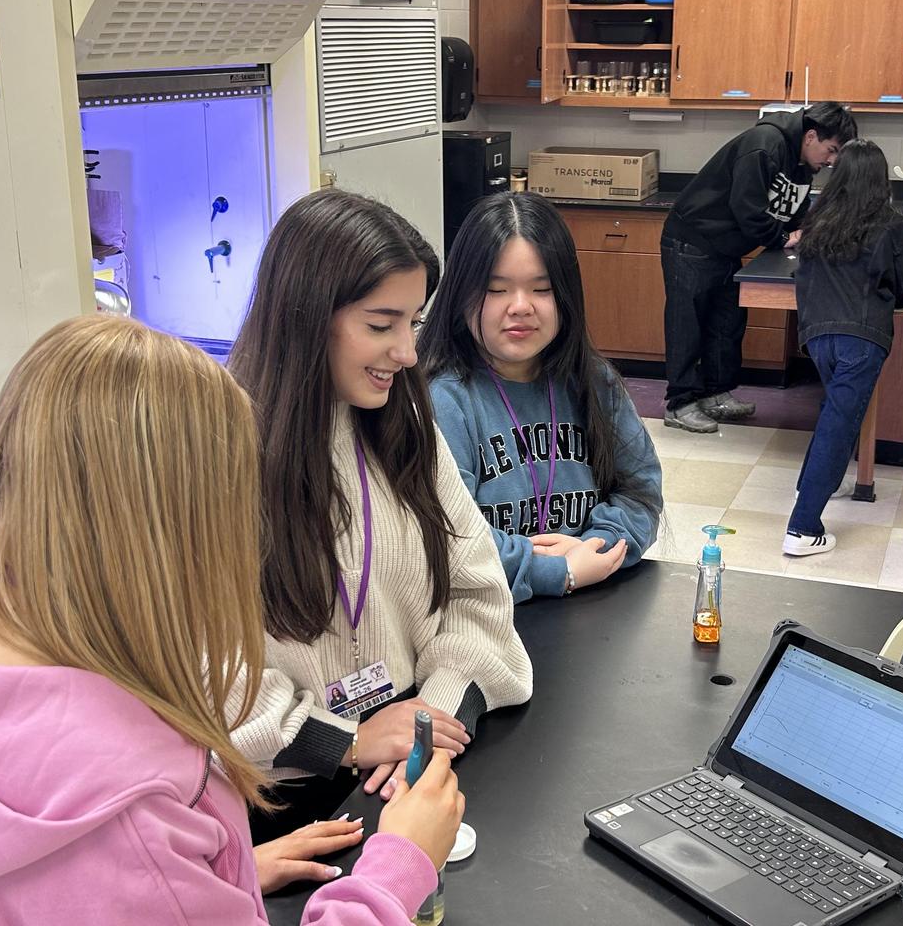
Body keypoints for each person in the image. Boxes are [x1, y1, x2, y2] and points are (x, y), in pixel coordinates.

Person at [0, 316, 462, 924]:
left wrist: (209, 876)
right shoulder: (130, 817)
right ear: (175, 524)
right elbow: (112, 864)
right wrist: (397, 867)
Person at [229, 189, 534, 837]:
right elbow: (197, 669)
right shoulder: (216, 451)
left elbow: (477, 596)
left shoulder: (406, 421)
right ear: (305, 318)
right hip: (274, 806)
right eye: (380, 325)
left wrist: (430, 721)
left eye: (413, 323)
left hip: (407, 763)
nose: (407, 352)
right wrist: (343, 741)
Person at [420, 192, 663, 602]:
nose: (521, 307)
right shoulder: (444, 399)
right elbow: (449, 538)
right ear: (461, 295)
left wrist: (594, 548)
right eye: (496, 289)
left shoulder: (594, 382)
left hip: (591, 607)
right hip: (487, 616)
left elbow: (641, 493)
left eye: (542, 288)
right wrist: (556, 571)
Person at [660, 101, 858, 433]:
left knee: (726, 322)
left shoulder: (802, 163)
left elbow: (793, 209)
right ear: (811, 136)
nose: (832, 161)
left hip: (726, 247)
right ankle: (680, 404)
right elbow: (747, 208)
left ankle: (715, 394)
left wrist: (805, 231)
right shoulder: (765, 144)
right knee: (688, 324)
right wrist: (781, 238)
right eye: (832, 150)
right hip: (693, 240)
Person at [780, 141, 903, 557]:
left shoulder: (818, 220)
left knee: (834, 415)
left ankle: (807, 489)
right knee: (839, 424)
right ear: (881, 179)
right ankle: (802, 529)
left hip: (816, 337)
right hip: (861, 339)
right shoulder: (891, 226)